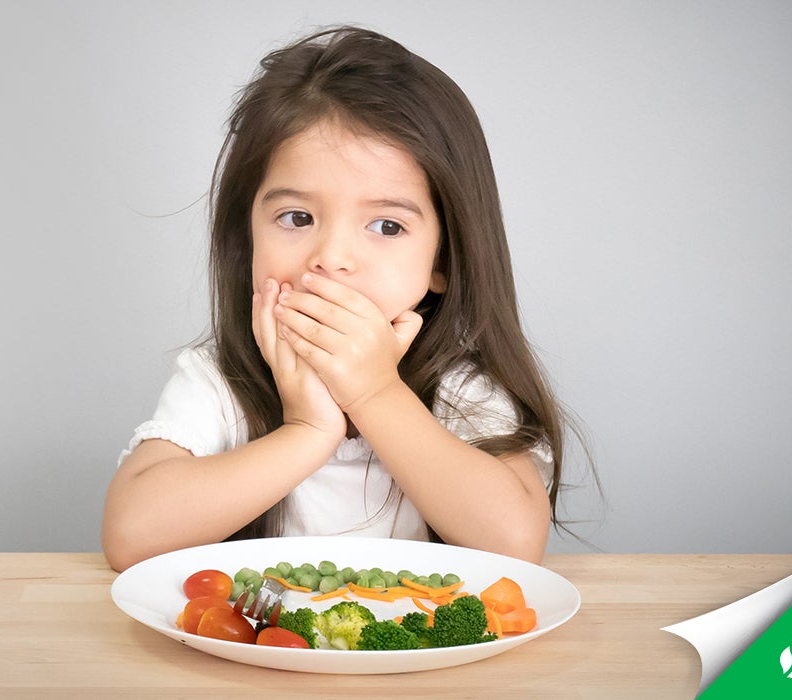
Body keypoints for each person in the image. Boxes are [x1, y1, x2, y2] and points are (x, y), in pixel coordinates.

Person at [102, 26, 569, 572]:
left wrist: (375, 392)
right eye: (297, 218)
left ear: (443, 259)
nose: (332, 257)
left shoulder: (460, 388)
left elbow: (515, 544)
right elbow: (131, 536)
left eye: (386, 225)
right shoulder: (219, 380)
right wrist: (307, 432)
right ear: (247, 236)